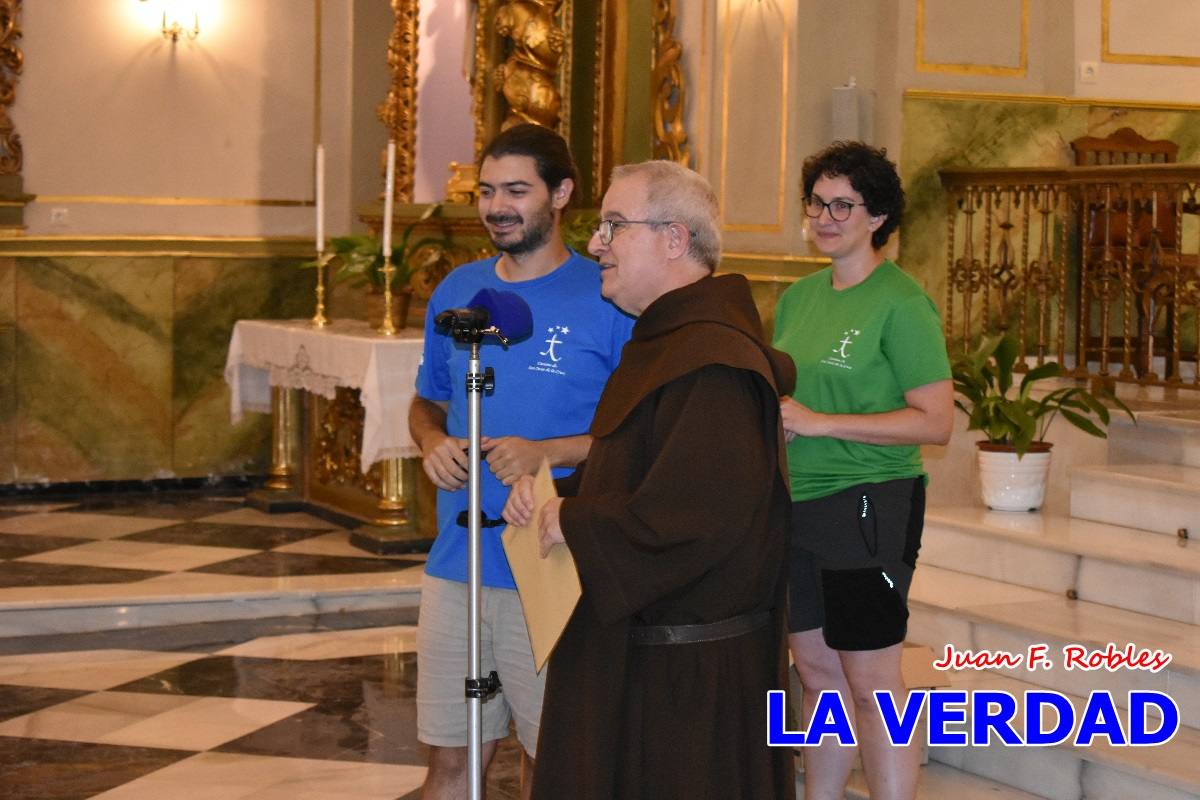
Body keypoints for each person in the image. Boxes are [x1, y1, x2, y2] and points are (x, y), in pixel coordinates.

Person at [503, 160, 797, 800]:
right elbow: (641, 471)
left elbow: (697, 520)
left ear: (674, 238)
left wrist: (572, 521)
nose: (594, 244)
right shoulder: (667, 342)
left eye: (613, 225)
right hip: (644, 659)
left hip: (690, 686)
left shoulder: (712, 361)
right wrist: (561, 494)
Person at [409, 123, 634, 799]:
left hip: (552, 562)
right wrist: (430, 443)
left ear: (561, 194)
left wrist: (548, 454)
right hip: (457, 563)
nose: (496, 206)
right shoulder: (458, 288)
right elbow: (427, 402)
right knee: (451, 765)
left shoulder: (608, 296)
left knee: (552, 764)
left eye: (516, 190)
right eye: (485, 191)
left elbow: (638, 436)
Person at [772, 141, 953, 800]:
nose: (824, 216)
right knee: (816, 670)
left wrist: (820, 421)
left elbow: (935, 421)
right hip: (799, 504)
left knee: (872, 682)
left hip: (870, 503)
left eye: (841, 205)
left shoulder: (901, 302)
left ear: (877, 216)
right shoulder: (797, 298)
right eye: (816, 203)